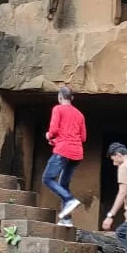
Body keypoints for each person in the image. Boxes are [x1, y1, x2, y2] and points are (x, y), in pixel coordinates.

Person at [43, 84, 86, 226]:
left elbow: (54, 129)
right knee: (63, 184)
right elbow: (83, 137)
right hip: (77, 153)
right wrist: (56, 141)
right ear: (72, 98)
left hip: (63, 151)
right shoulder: (80, 114)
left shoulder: (58, 109)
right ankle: (67, 219)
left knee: (47, 179)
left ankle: (69, 199)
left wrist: (48, 135)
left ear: (60, 97)